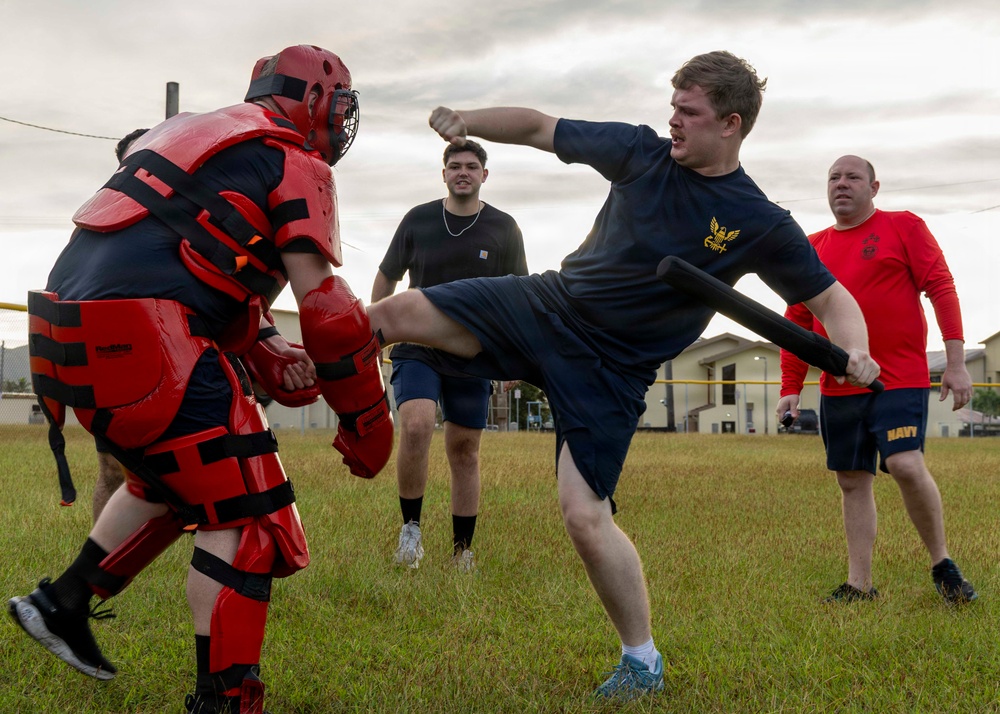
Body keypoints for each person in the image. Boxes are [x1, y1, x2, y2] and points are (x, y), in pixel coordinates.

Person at [366, 50, 881, 700]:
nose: (673, 121)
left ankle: (642, 661)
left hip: (611, 370)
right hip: (549, 306)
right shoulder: (641, 152)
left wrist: (856, 350)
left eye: (688, 112)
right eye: (672, 107)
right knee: (393, 314)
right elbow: (540, 127)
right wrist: (466, 120)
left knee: (584, 516)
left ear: (730, 123)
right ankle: (340, 404)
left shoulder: (759, 221)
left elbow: (830, 299)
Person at [9, 44, 393, 714]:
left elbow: (187, 259)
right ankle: (224, 702)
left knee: (174, 481)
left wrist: (267, 348)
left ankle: (61, 604)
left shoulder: (188, 135)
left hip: (64, 334)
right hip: (145, 337)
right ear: (316, 101)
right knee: (250, 519)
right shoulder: (289, 158)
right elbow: (329, 312)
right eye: (339, 104)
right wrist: (366, 417)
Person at [777, 155, 977, 605]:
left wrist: (956, 362)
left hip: (898, 378)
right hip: (838, 385)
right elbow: (797, 321)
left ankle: (943, 564)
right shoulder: (812, 247)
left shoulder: (903, 226)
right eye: (834, 177)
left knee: (905, 463)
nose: (841, 184)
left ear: (874, 187)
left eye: (852, 177)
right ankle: (860, 585)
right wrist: (791, 387)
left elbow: (941, 288)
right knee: (851, 479)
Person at [372, 139, 527, 571]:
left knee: (464, 449)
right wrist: (374, 334)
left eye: (472, 166)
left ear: (484, 175)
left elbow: (520, 296)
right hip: (417, 345)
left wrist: (514, 354)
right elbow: (386, 276)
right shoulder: (418, 220)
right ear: (444, 174)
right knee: (417, 425)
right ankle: (411, 533)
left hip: (472, 351)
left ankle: (462, 551)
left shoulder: (504, 227)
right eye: (455, 166)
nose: (463, 172)